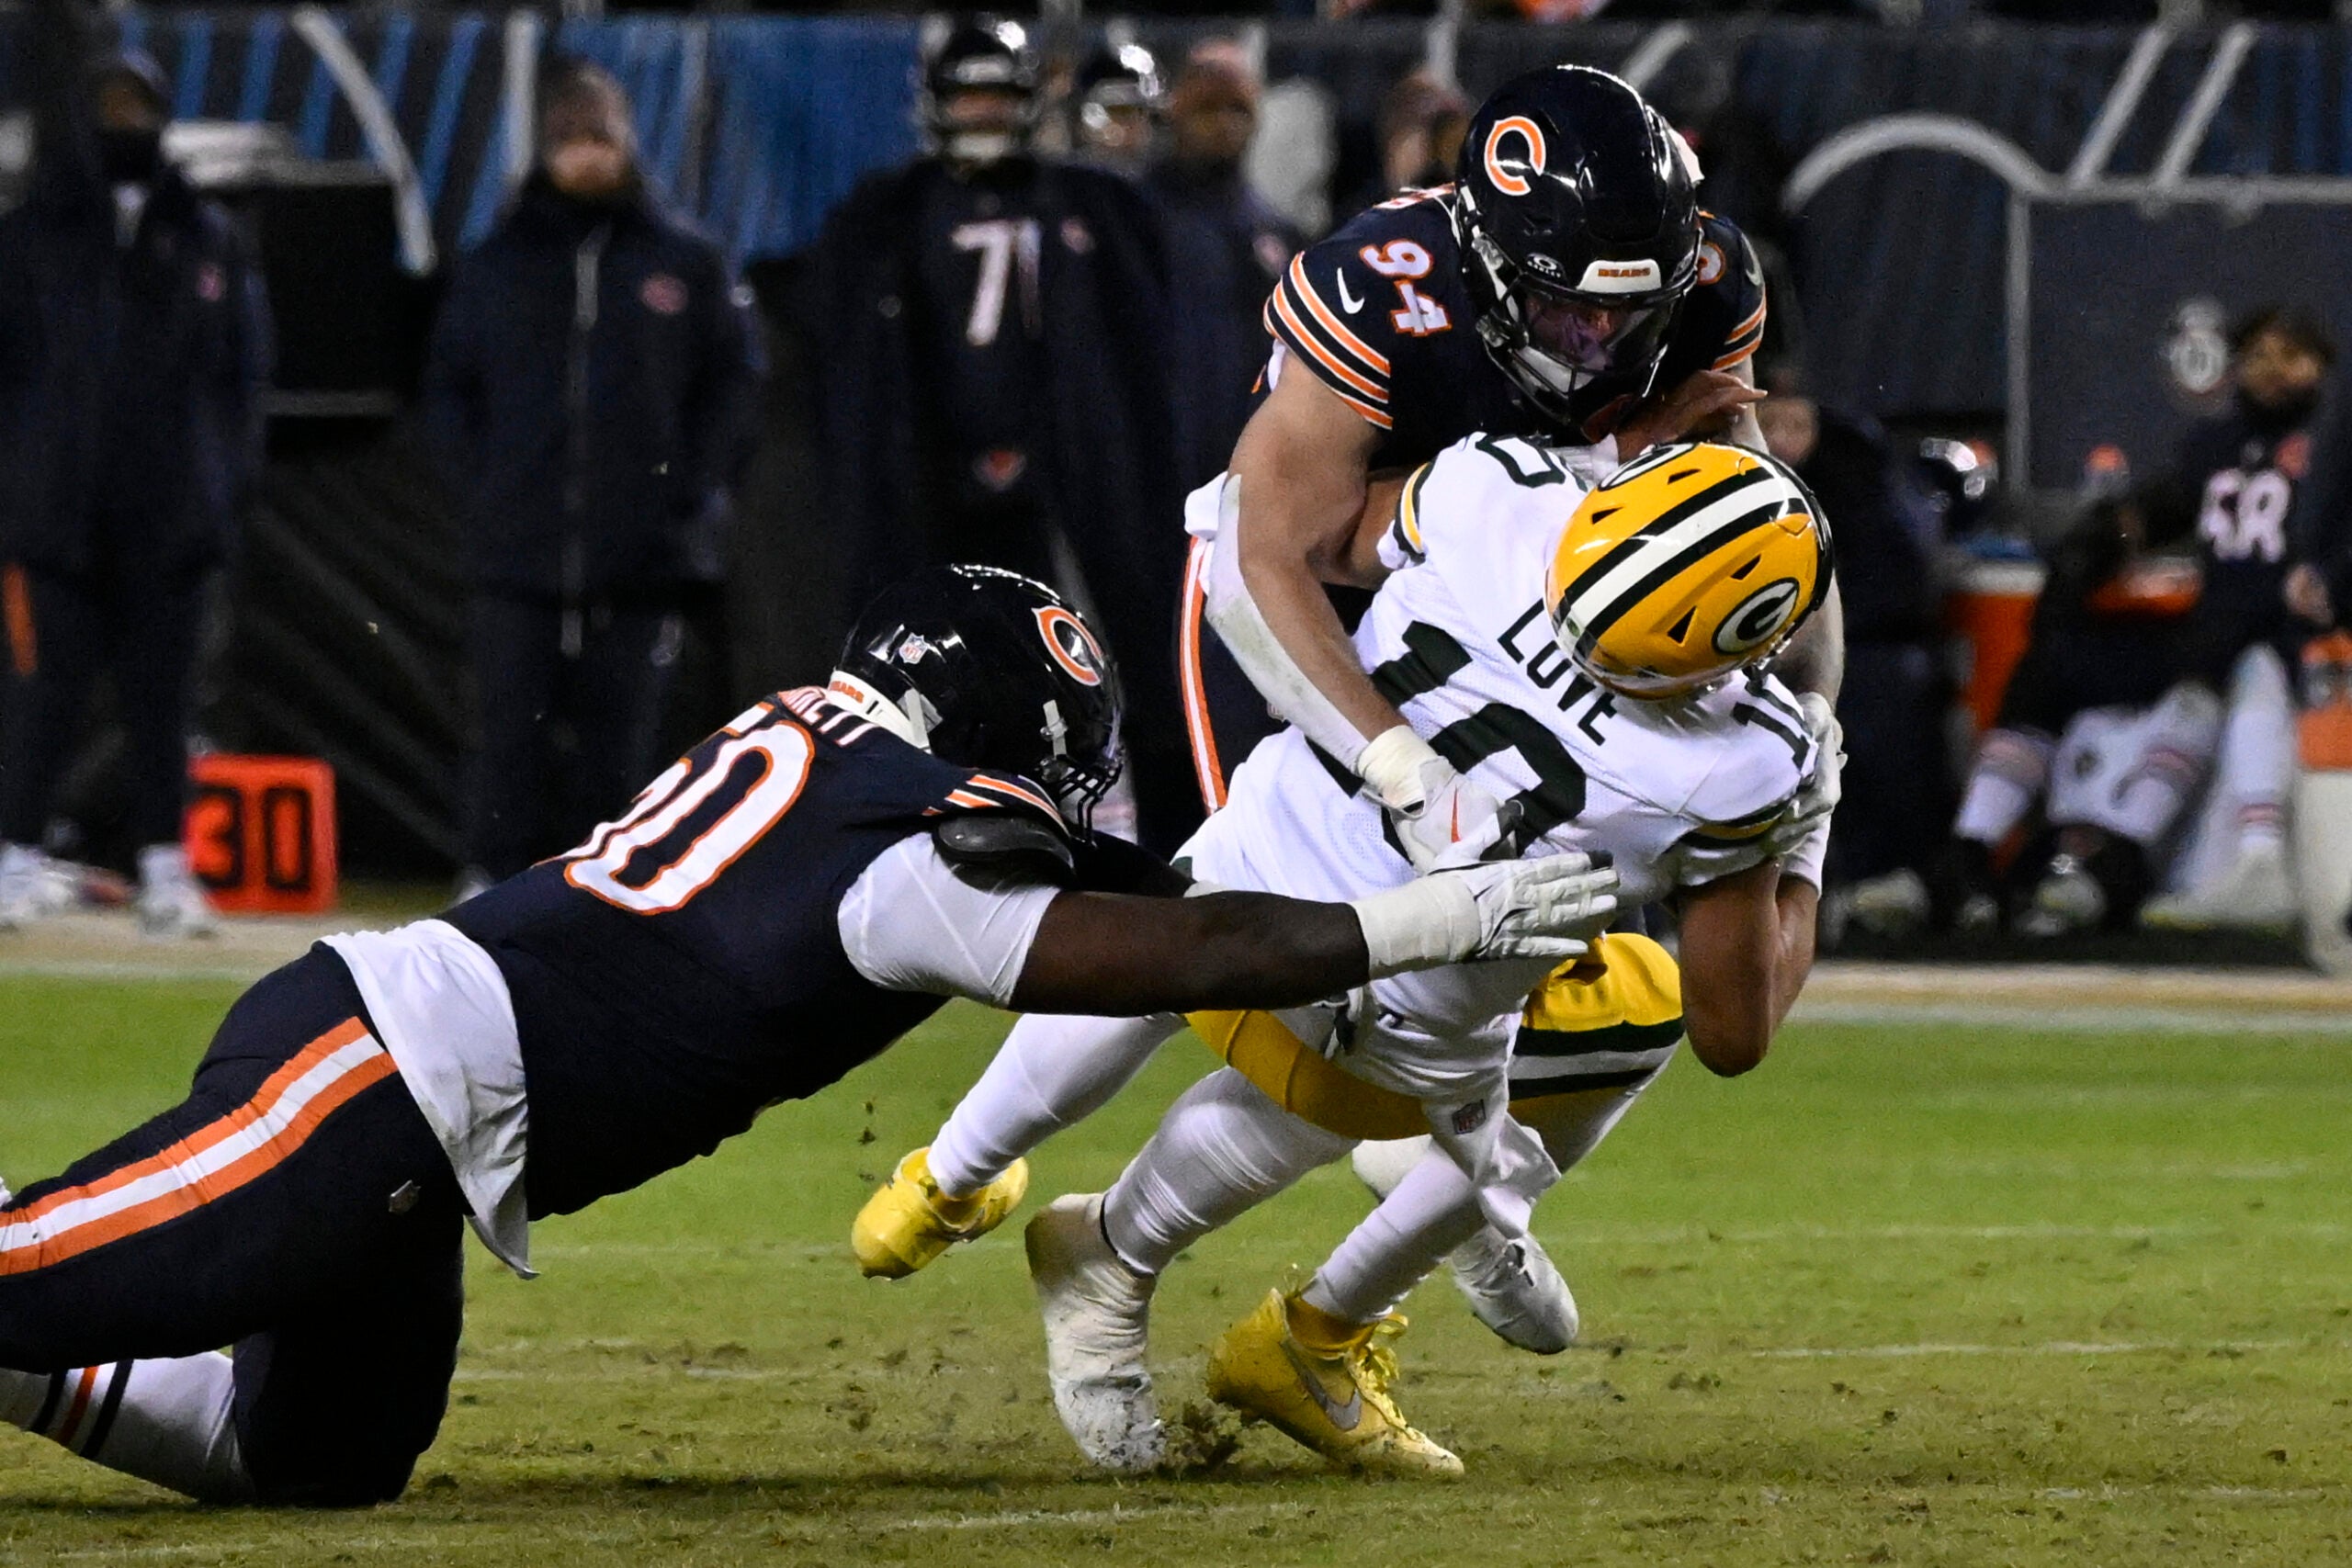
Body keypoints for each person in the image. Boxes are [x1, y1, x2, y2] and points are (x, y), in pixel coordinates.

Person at [0, 564, 1617, 1506]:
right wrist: (1422, 923)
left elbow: (1157, 888)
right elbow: (1169, 944)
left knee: (320, 1459)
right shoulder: (908, 866)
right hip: (371, 1087)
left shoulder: (825, 745)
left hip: (420, 1108)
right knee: (44, 1271)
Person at [858, 442, 1837, 1473]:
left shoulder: (1493, 492)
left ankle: (946, 1176)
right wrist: (1803, 842)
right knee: (1436, 1139)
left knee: (1155, 959)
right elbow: (1735, 1029)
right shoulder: (1749, 761)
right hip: (1406, 1014)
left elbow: (1277, 533)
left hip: (1255, 855)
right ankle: (1140, 1264)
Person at [1178, 62, 1842, 854]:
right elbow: (1276, 556)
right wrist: (1402, 769)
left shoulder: (1710, 286)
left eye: (1630, 313)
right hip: (1321, 609)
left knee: (1534, 939)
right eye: (1566, 308)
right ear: (1487, 257)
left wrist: (1812, 707)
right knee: (1275, 923)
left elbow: (1765, 530)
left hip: (1537, 613)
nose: (1597, 340)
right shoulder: (1385, 281)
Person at [800, 18, 1196, 853]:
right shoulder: (884, 214)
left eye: (996, 93)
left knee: (1131, 659)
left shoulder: (1101, 205)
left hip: (1077, 480)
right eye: (967, 94)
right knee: (919, 667)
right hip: (932, 478)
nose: (981, 112)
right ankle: (911, 840)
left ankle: (1164, 848)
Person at [422, 60, 763, 896]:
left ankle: (607, 893)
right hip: (517, 549)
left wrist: (687, 491)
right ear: (544, 151)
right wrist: (486, 492)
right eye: (568, 142)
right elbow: (447, 390)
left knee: (625, 739)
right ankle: (489, 888)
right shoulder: (495, 262)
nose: (584, 159)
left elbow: (735, 386)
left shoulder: (685, 261)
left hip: (643, 554)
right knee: (507, 731)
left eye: (597, 139)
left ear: (627, 144)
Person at [1939, 308, 2339, 933]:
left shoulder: (2332, 445)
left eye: (2290, 355)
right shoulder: (2218, 443)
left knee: (2216, 666)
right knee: (2052, 665)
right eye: (2258, 355)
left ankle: (2122, 853)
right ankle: (1972, 847)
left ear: (2323, 365)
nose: (2272, 370)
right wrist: (2097, 544)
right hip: (2217, 624)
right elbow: (2154, 510)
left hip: (2285, 631)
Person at [0, 50, 271, 935]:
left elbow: (243, 378)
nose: (125, 125)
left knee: (165, 707)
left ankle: (165, 868)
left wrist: (217, 489)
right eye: (108, 108)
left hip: (168, 522)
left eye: (138, 108)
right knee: (41, 702)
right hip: (56, 523)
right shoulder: (34, 231)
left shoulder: (205, 234)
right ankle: (15, 859)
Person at [1758, 376, 1950, 927]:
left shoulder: (1859, 473)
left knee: (1880, 707)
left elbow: (1898, 586)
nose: (1785, 442)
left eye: (1796, 426)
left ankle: (1883, 878)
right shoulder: (1747, 482)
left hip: (1867, 648)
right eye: (1771, 427)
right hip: (1780, 660)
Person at [1143, 42, 1304, 490]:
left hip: (1245, 459)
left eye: (1237, 110)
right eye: (1207, 109)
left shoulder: (1278, 233)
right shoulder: (1133, 218)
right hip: (1153, 452)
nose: (1223, 124)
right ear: (1174, 108)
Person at [1067, 41, 1162, 176]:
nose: (1136, 127)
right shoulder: (1060, 188)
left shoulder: (1163, 186)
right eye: (1121, 111)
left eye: (1144, 113)